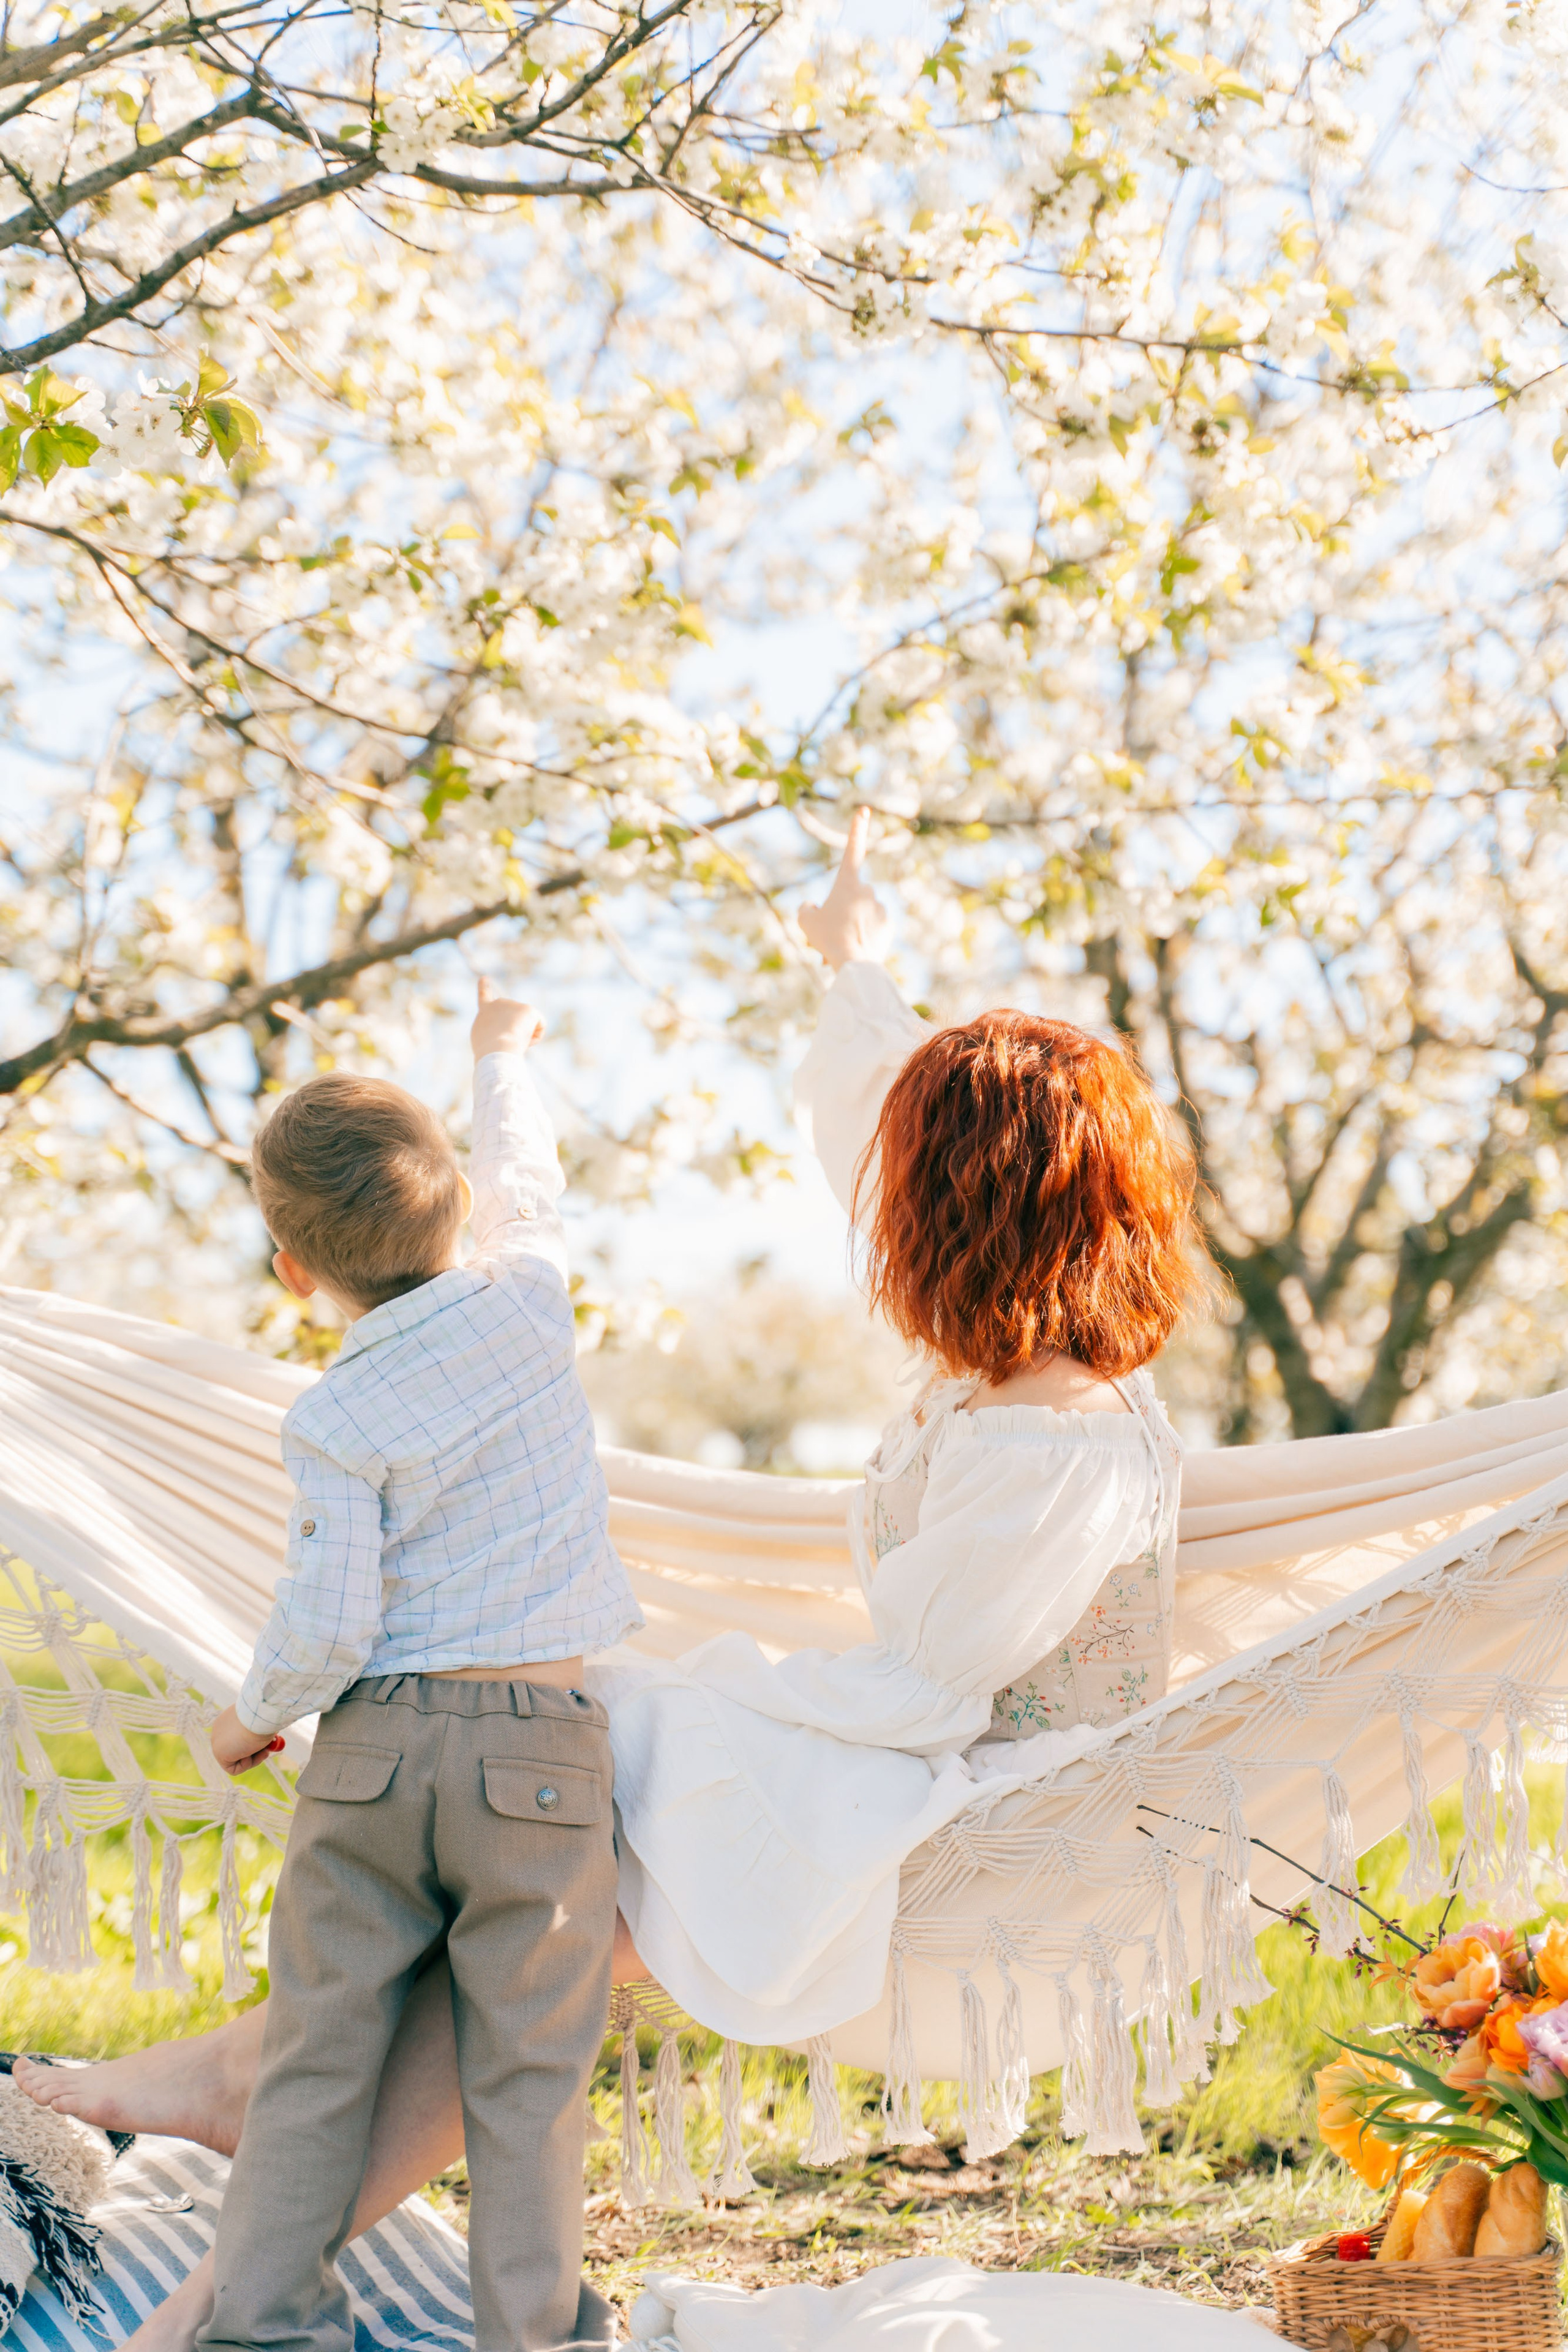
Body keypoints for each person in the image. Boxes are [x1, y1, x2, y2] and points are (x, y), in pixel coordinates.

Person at [17, 813, 1206, 2346]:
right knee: (567, 1831)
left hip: (992, 1786)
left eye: (907, 1192)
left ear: (961, 1221)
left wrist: (713, 1689)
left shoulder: (1058, 1450)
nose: (876, 1210)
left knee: (610, 1764)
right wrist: (848, 953)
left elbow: (924, 1687)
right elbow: (896, 1107)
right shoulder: (1013, 1359)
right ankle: (238, 2139)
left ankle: (239, 2138)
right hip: (908, 1732)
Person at [194, 980, 643, 2352]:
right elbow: (530, 1181)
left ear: (295, 1271)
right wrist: (502, 1057)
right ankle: (529, 2334)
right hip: (539, 1768)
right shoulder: (531, 1304)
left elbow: (327, 1625)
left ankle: (264, 2325)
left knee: (316, 2059)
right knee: (527, 2075)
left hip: (378, 1758)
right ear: (453, 1209)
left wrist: (246, 1720)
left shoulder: (331, 1416)